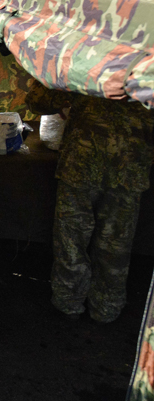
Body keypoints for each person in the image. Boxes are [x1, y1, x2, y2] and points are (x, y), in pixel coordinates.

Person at [26, 79, 154, 323]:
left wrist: (66, 96)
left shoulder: (85, 61)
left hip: (83, 164)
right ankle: (106, 307)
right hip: (127, 167)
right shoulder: (145, 63)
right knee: (114, 245)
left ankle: (69, 302)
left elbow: (38, 100)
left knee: (72, 240)